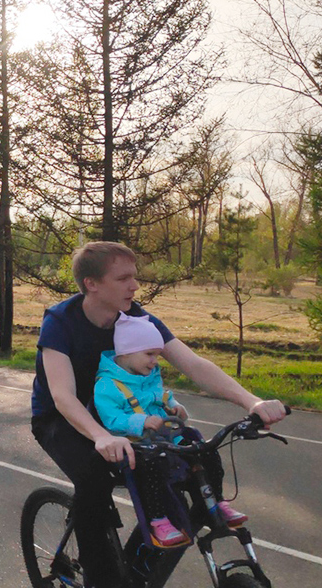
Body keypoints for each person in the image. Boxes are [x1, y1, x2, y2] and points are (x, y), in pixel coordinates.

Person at [31, 241, 287, 588]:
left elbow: (194, 364)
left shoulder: (138, 319)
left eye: (134, 277)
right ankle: (101, 579)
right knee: (94, 479)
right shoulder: (61, 322)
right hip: (63, 419)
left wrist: (250, 401)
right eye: (123, 278)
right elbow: (62, 396)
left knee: (183, 465)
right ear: (92, 284)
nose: (135, 286)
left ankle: (139, 565)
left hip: (124, 416)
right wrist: (102, 436)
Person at [93, 313, 247, 548]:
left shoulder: (148, 375)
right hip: (134, 444)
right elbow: (112, 419)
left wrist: (174, 407)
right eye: (149, 354)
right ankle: (158, 520)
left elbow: (162, 396)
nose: (155, 361)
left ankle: (215, 501)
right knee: (152, 466)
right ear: (125, 352)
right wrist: (141, 421)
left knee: (204, 449)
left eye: (157, 355)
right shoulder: (108, 385)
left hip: (162, 438)